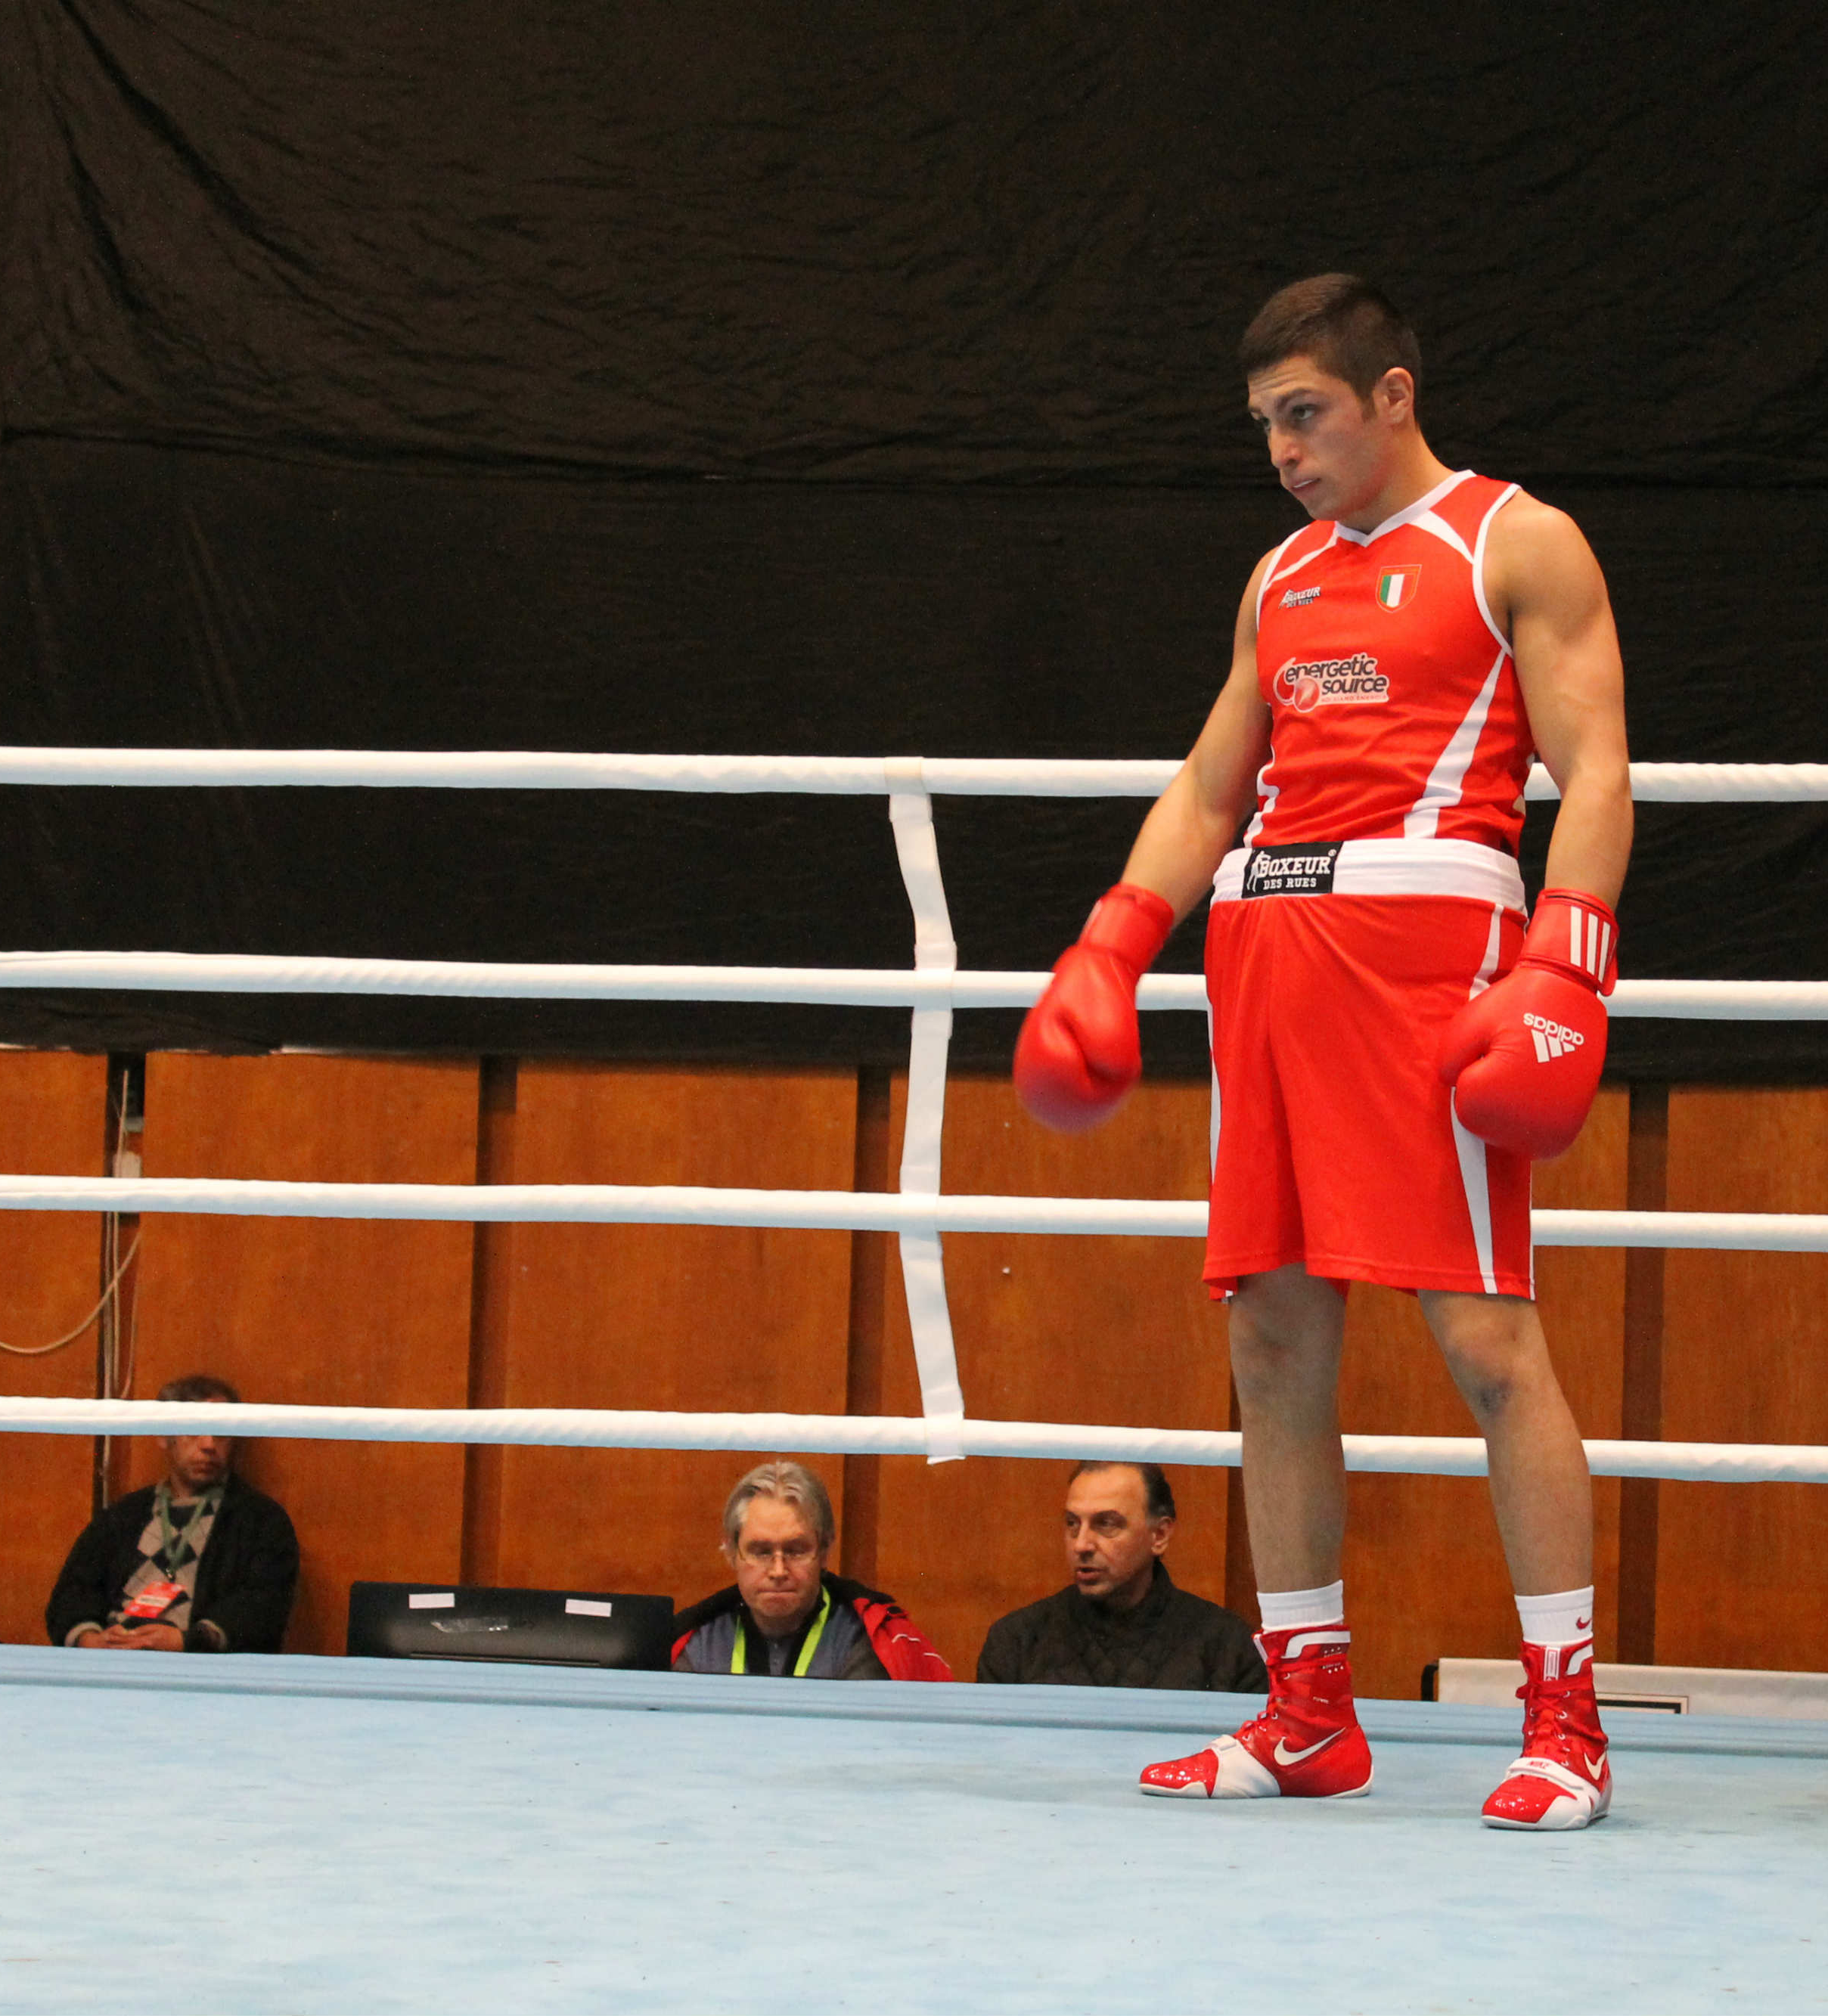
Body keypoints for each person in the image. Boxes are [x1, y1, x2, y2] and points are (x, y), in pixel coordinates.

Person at [1014, 274, 1631, 1829]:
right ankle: (1305, 1714)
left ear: (1392, 395)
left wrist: (1571, 952)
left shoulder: (1515, 540)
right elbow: (1211, 785)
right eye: (1264, 426)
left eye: (1305, 415)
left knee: (1486, 1345)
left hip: (1432, 972)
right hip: (1268, 965)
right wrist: (1110, 939)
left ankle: (1563, 1721)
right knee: (1271, 1347)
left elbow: (1596, 759)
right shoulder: (1277, 580)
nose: (1283, 450)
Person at [45, 1373, 299, 1654]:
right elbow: (72, 1593)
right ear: (165, 1437)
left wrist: (187, 1642)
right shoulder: (122, 1517)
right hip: (113, 1658)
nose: (209, 1445)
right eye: (194, 1430)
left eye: (222, 1433)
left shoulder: (261, 1522)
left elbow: (263, 1609)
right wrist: (89, 1639)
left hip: (199, 1667)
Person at [976, 1461, 1268, 1693]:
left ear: (1160, 1535)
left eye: (1106, 1524)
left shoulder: (1228, 1647)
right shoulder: (1016, 1642)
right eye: (1072, 1524)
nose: (1081, 1544)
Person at [670, 1461, 952, 1680]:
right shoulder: (696, 1646)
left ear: (825, 1551)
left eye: (795, 1550)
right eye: (761, 1552)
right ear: (731, 1553)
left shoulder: (865, 1643)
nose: (779, 1570)